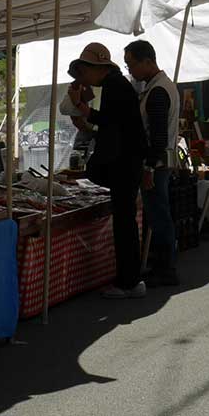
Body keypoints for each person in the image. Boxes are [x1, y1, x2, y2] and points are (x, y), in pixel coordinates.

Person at [68, 42, 149, 298]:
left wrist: (82, 109)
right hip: (128, 161)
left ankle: (128, 282)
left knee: (124, 225)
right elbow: (113, 123)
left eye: (84, 73)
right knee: (125, 223)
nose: (84, 79)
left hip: (124, 163)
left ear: (96, 68)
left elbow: (110, 122)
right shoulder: (118, 85)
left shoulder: (115, 85)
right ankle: (131, 279)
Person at [124, 39, 179, 287]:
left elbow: (157, 137)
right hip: (159, 162)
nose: (130, 71)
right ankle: (163, 266)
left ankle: (165, 269)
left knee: (159, 216)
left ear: (147, 61)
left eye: (132, 65)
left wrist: (148, 168)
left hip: (156, 164)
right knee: (159, 214)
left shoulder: (158, 91)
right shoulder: (160, 87)